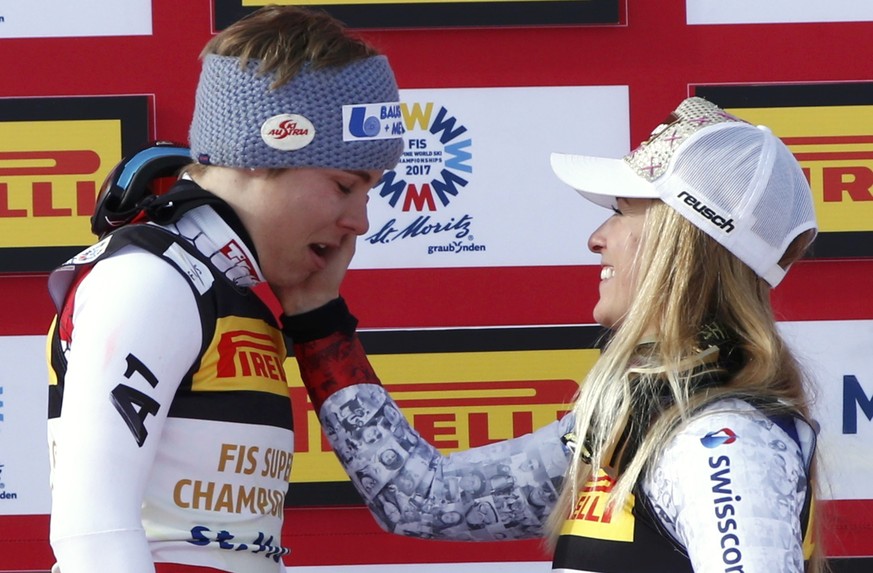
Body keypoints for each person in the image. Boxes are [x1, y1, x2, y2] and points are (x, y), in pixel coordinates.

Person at [283, 96, 823, 572]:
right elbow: (424, 498)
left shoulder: (723, 439)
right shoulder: (639, 415)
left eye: (621, 211)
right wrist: (316, 315)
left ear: (680, 240)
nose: (596, 238)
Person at [44, 5, 403, 573]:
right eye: (343, 185)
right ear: (266, 151)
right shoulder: (151, 279)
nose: (360, 220)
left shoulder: (229, 286)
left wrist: (314, 309)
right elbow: (93, 533)